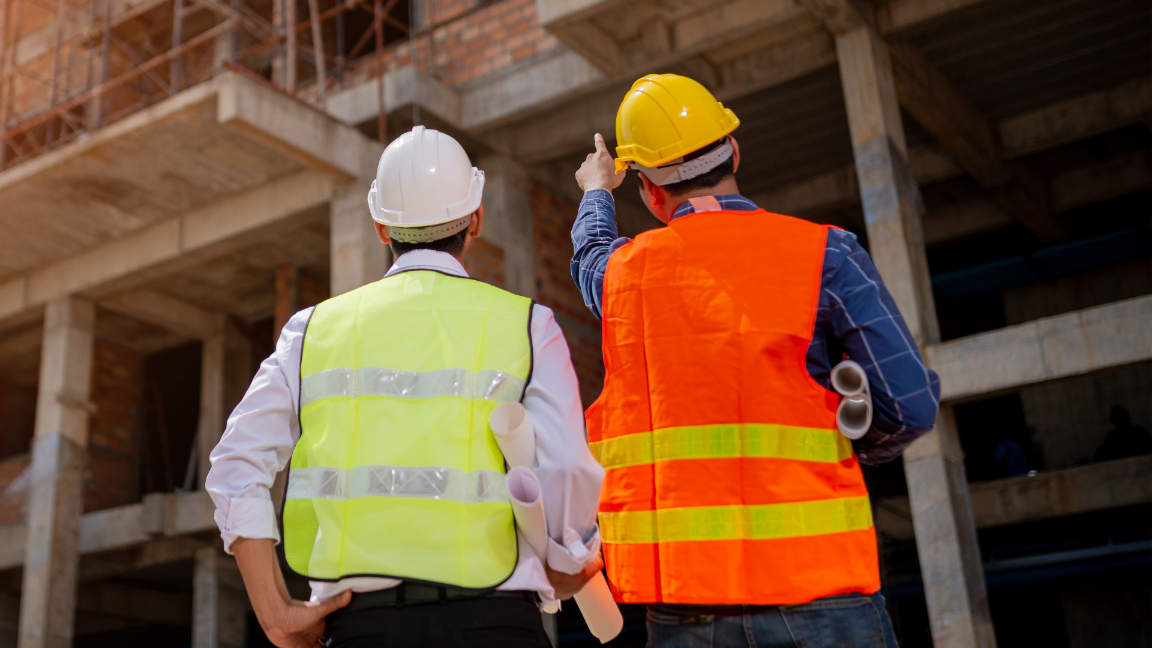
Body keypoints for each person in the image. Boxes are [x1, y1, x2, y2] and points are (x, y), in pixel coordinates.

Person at [570, 74, 941, 648]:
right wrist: (857, 444)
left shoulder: (625, 277)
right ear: (734, 150)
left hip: (688, 610)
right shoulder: (828, 253)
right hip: (823, 593)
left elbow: (590, 257)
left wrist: (597, 189)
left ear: (648, 192)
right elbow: (909, 403)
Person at [207, 126, 605, 648]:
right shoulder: (528, 325)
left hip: (362, 629)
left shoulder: (313, 332)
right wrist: (570, 559)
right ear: (477, 219)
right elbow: (568, 468)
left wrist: (276, 614)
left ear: (380, 226)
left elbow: (236, 466)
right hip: (497, 624)